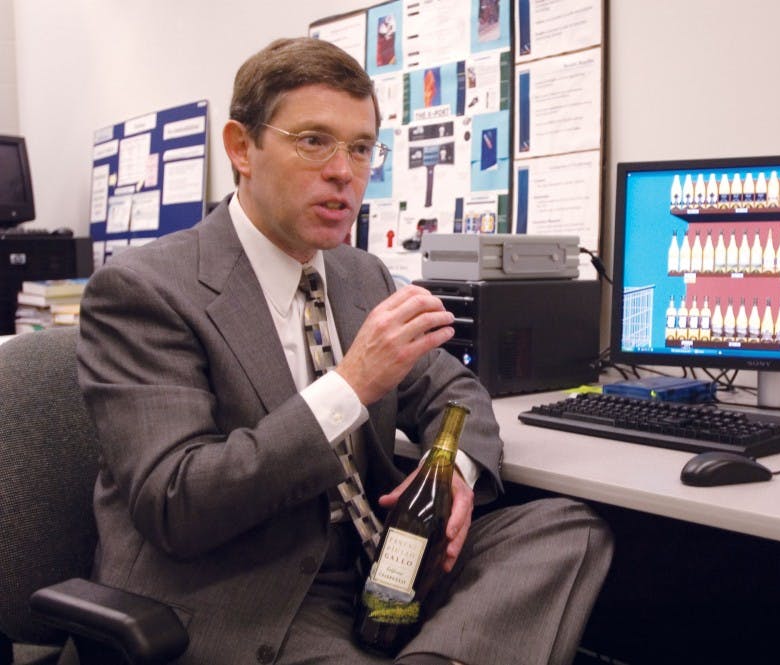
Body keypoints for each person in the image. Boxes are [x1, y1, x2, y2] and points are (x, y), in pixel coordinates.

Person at [77, 37, 612, 665]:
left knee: (566, 530)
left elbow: (455, 389)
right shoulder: (144, 289)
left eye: (361, 148)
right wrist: (350, 386)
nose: (344, 171)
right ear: (241, 148)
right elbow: (178, 503)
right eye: (313, 141)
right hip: (250, 591)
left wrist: (450, 476)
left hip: (384, 561)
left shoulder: (361, 277)